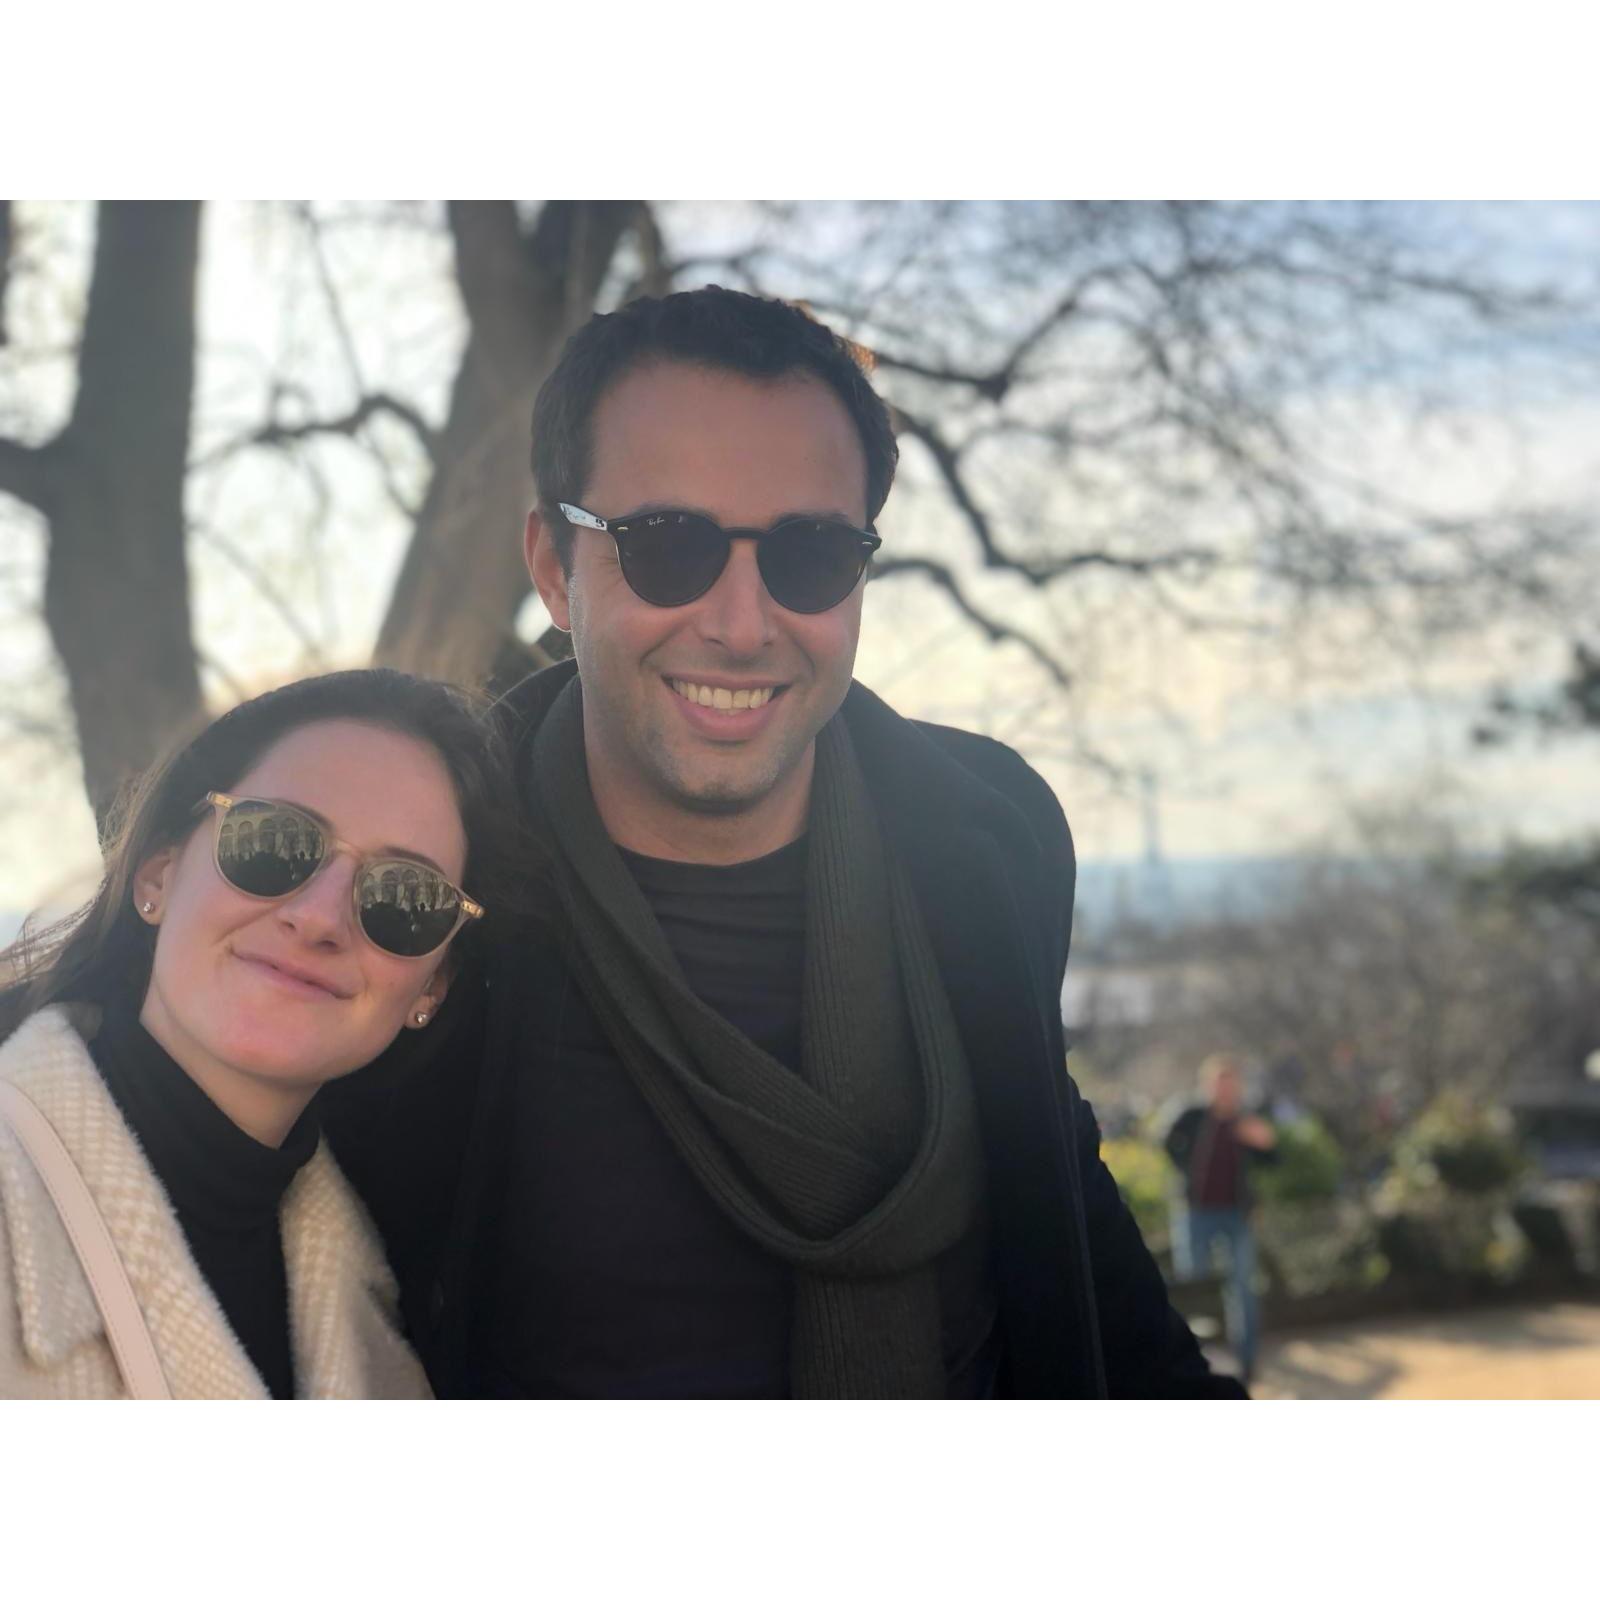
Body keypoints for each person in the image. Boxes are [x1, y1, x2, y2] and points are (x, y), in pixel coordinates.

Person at [325, 286, 1245, 1398]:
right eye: (668, 547)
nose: (742, 623)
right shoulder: (425, 887)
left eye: (809, 555)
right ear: (555, 569)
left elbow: (1077, 1265)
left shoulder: (982, 851)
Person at [0, 669, 508, 1399]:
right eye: (273, 842)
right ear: (157, 877)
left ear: (432, 986)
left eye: (406, 897)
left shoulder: (391, 1313)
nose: (319, 917)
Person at [1163, 1053, 1280, 1385]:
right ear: (1207, 1086)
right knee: (1194, 1290)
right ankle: (1194, 1364)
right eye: (1218, 1084)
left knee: (1242, 1291)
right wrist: (1186, 1173)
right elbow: (1167, 1143)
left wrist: (1266, 1144)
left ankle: (1246, 1363)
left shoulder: (1247, 1120)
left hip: (1236, 1216)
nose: (1224, 1091)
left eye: (1230, 1084)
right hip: (1195, 1214)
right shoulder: (1191, 1116)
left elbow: (1272, 1159)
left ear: (1238, 1087)